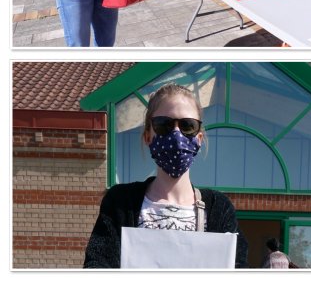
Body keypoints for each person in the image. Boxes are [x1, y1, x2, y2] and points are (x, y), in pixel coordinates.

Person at [84, 84, 249, 267]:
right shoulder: (120, 202)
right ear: (148, 136)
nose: (176, 134)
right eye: (164, 125)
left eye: (188, 126)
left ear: (199, 139)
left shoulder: (220, 208)